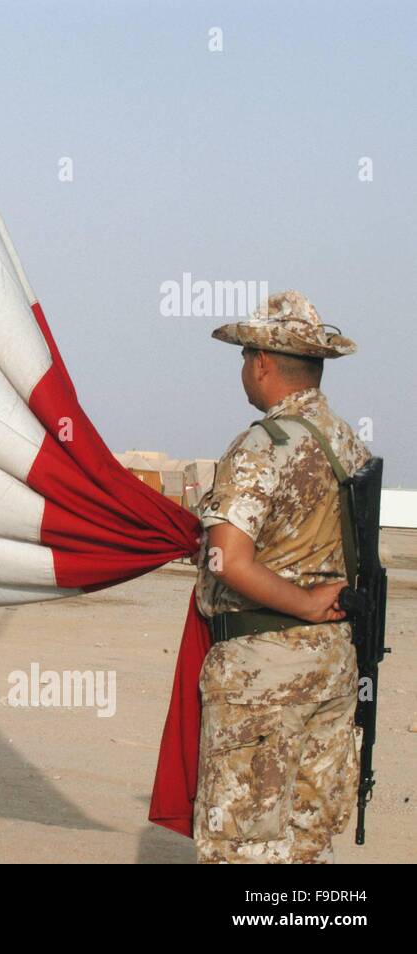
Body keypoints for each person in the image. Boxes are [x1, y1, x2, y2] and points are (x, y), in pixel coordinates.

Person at [192, 290, 371, 863]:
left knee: (242, 845)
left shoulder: (261, 445)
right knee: (306, 843)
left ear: (262, 363)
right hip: (333, 667)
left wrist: (303, 603)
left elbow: (229, 559)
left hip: (262, 676)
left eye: (246, 357)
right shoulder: (350, 445)